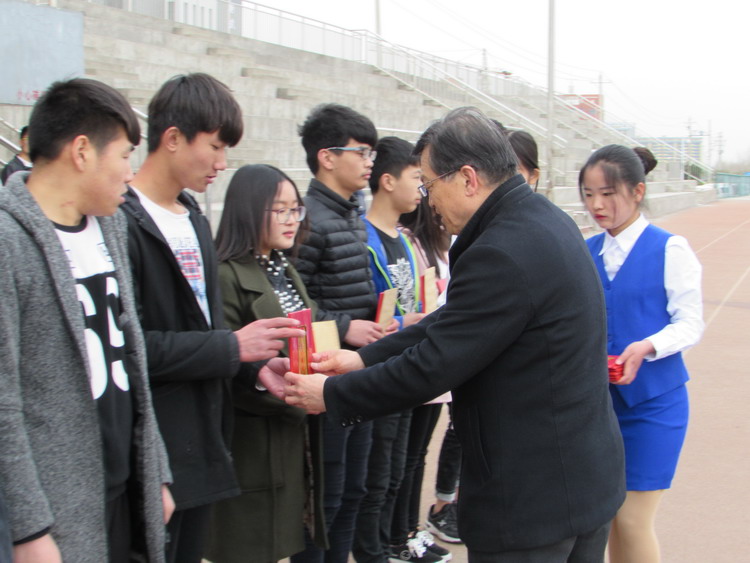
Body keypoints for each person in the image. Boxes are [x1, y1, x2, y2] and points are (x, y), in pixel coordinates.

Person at [270, 106, 627, 562]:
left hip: (532, 498)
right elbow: (457, 321)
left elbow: (434, 365)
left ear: (467, 178)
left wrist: (332, 394)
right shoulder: (542, 219)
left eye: (429, 184)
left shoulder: (501, 248)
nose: (428, 200)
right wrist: (362, 358)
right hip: (580, 482)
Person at [121, 73, 304, 563]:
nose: (222, 164)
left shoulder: (193, 217)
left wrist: (253, 368)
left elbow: (207, 331)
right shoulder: (122, 222)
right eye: (216, 147)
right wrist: (232, 348)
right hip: (153, 447)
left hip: (205, 437)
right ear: (173, 138)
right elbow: (132, 348)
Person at [0, 78, 172, 562]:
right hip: (59, 507)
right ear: (81, 152)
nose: (130, 173)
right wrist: (29, 529)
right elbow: (4, 401)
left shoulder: (110, 225)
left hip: (126, 486)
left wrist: (155, 470)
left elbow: (130, 358)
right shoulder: (8, 241)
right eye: (124, 155)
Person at [579, 145, 704, 563]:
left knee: (633, 519)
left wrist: (648, 345)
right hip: (599, 407)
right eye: (588, 194)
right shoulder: (585, 251)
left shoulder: (670, 249)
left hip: (654, 406)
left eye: (608, 194)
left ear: (637, 192)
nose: (597, 205)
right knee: (608, 517)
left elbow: (690, 323)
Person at [205, 164, 327, 562]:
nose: (293, 219)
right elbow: (224, 362)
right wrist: (287, 392)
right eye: (281, 210)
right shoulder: (224, 274)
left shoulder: (283, 266)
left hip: (292, 429)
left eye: (296, 209)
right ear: (248, 210)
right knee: (249, 545)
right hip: (253, 438)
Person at [292, 103, 391, 563]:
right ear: (327, 157)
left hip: (356, 373)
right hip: (323, 378)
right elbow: (292, 304)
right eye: (361, 152)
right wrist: (349, 326)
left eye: (372, 153)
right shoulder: (307, 218)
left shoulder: (351, 213)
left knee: (354, 490)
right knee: (325, 500)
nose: (370, 162)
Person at [354, 136, 441, 563]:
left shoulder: (405, 239)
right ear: (387, 181)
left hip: (407, 369)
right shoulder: (363, 238)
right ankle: (372, 550)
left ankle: (391, 543)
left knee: (397, 470)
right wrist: (409, 323)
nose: (422, 188)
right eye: (415, 178)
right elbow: (367, 314)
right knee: (375, 476)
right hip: (379, 371)